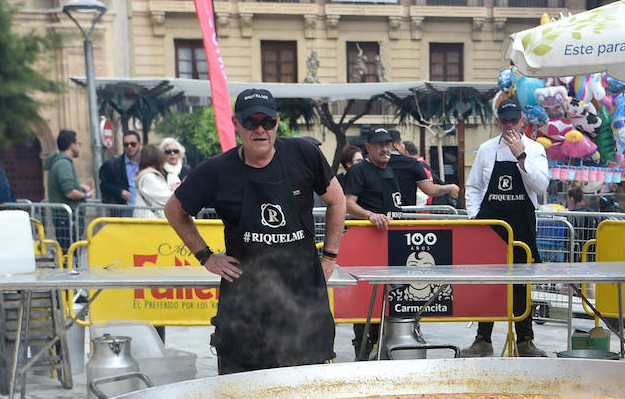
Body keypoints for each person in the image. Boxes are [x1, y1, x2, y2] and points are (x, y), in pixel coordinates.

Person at [164, 88, 345, 374]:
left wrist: (330, 256)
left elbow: (337, 200)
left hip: (302, 300)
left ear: (277, 122)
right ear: (236, 124)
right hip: (245, 306)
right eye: (251, 123)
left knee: (306, 397)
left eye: (267, 122)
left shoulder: (305, 154)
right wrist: (206, 257)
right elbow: (175, 210)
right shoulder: (216, 170)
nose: (260, 130)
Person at [460, 100, 550, 358]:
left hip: (522, 226)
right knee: (489, 282)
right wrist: (476, 218)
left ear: (522, 120)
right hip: (491, 227)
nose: (509, 125)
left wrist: (521, 156)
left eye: (514, 120)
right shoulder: (487, 150)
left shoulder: (534, 149)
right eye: (505, 120)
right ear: (498, 121)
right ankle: (482, 340)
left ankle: (525, 341)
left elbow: (542, 185)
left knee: (522, 282)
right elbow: (474, 186)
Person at [341, 128, 405, 357]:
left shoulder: (393, 169)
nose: (385, 149)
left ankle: (389, 349)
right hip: (368, 246)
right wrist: (370, 216)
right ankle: (363, 350)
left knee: (394, 301)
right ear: (368, 147)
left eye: (388, 144)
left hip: (393, 245)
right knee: (366, 300)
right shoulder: (359, 171)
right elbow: (348, 203)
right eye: (380, 145)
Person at [44, 129, 91, 252]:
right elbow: (69, 192)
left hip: (65, 218)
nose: (79, 147)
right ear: (72, 145)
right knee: (71, 254)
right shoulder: (64, 164)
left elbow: (66, 185)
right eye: (78, 144)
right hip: (68, 219)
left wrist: (80, 187)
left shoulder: (60, 163)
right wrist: (86, 195)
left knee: (68, 253)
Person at [388, 133, 458, 208]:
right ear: (396, 145)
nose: (403, 145)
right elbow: (430, 190)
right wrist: (450, 188)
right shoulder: (412, 164)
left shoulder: (377, 163)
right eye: (402, 142)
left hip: (380, 216)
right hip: (406, 214)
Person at [99, 131, 141, 205]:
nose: (129, 147)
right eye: (126, 144)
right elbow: (104, 185)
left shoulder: (147, 162)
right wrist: (120, 192)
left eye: (133, 144)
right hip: (124, 209)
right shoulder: (113, 164)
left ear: (140, 144)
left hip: (145, 209)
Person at [133, 144, 173, 217]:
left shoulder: (145, 176)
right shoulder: (149, 178)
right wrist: (175, 190)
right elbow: (167, 198)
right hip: (151, 223)